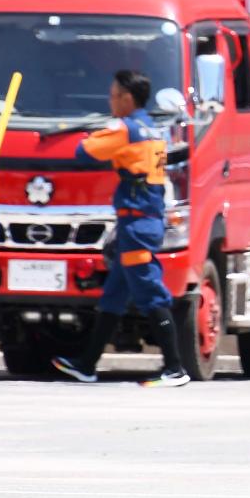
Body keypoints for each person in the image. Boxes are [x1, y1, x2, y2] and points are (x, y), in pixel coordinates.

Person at [54, 70, 188, 387]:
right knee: (113, 297)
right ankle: (86, 365)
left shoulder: (125, 129)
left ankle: (175, 367)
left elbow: (84, 151)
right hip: (139, 222)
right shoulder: (152, 129)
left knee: (151, 293)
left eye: (113, 95)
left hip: (138, 225)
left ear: (127, 99)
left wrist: (92, 134)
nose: (110, 100)